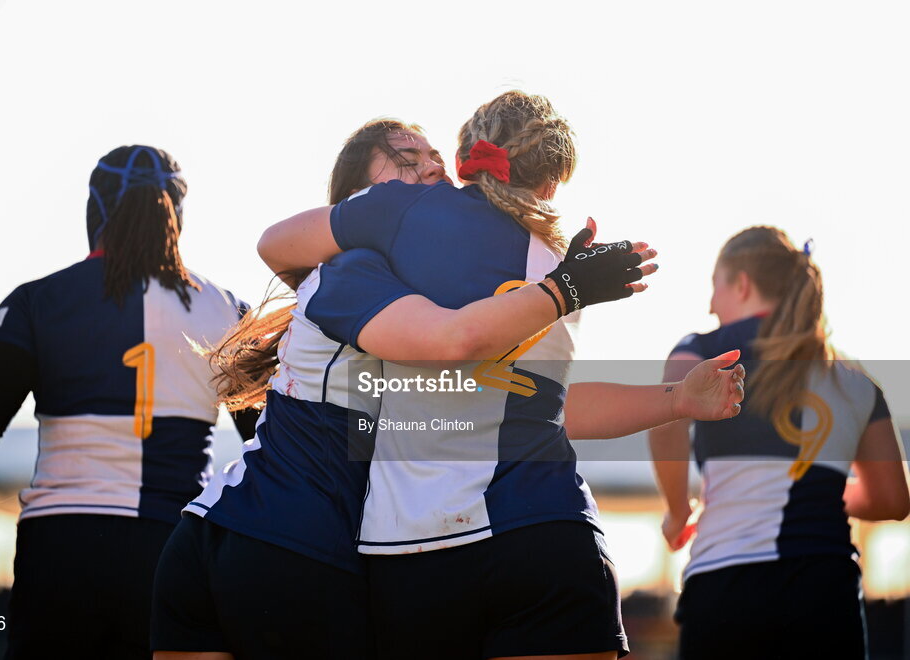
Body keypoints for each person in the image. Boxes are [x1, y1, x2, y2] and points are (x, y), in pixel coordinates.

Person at [252, 90, 745, 660]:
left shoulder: (394, 212)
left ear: (463, 154)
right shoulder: (561, 265)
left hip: (413, 555)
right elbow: (550, 411)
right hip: (548, 535)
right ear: (553, 183)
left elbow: (277, 246)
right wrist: (678, 398)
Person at [0, 145, 256, 659]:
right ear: (177, 212)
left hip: (60, 555)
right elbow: (268, 450)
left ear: (95, 211)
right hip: (172, 551)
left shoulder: (36, 302)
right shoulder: (228, 311)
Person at [649, 226, 910, 659]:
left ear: (743, 284)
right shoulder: (857, 382)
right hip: (827, 593)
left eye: (715, 286)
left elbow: (664, 421)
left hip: (727, 590)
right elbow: (892, 499)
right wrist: (812, 490)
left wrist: (678, 512)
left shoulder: (703, 352)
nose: (710, 304)